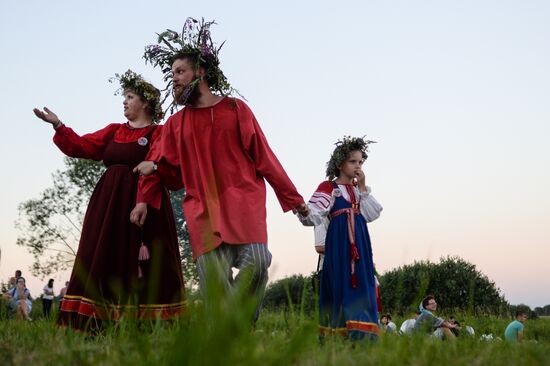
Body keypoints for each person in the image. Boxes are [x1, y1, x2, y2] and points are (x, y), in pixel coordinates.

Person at [131, 18, 308, 321]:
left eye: (180, 71)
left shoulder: (236, 109)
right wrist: (145, 192)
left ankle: (237, 327)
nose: (174, 79)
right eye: (171, 73)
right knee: (214, 282)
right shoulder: (175, 125)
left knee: (257, 262)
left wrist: (293, 200)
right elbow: (163, 169)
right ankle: (226, 344)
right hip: (202, 209)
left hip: (243, 203)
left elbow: (265, 156)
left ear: (200, 71)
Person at [33, 70, 186, 331]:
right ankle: (96, 322)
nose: (124, 102)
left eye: (129, 96)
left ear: (146, 103)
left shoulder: (158, 133)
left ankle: (148, 326)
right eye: (124, 97)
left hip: (145, 205)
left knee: (146, 263)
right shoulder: (114, 131)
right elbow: (82, 146)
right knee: (103, 254)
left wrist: (143, 200)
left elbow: (164, 168)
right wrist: (59, 125)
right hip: (109, 204)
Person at [298, 136, 383, 340]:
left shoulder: (357, 191)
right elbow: (314, 215)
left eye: (361, 162)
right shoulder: (330, 188)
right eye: (353, 161)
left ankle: (363, 338)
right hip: (339, 244)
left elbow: (372, 213)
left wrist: (363, 187)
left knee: (363, 285)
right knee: (340, 285)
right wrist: (304, 210)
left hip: (360, 244)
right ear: (339, 164)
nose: (358, 166)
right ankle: (338, 337)